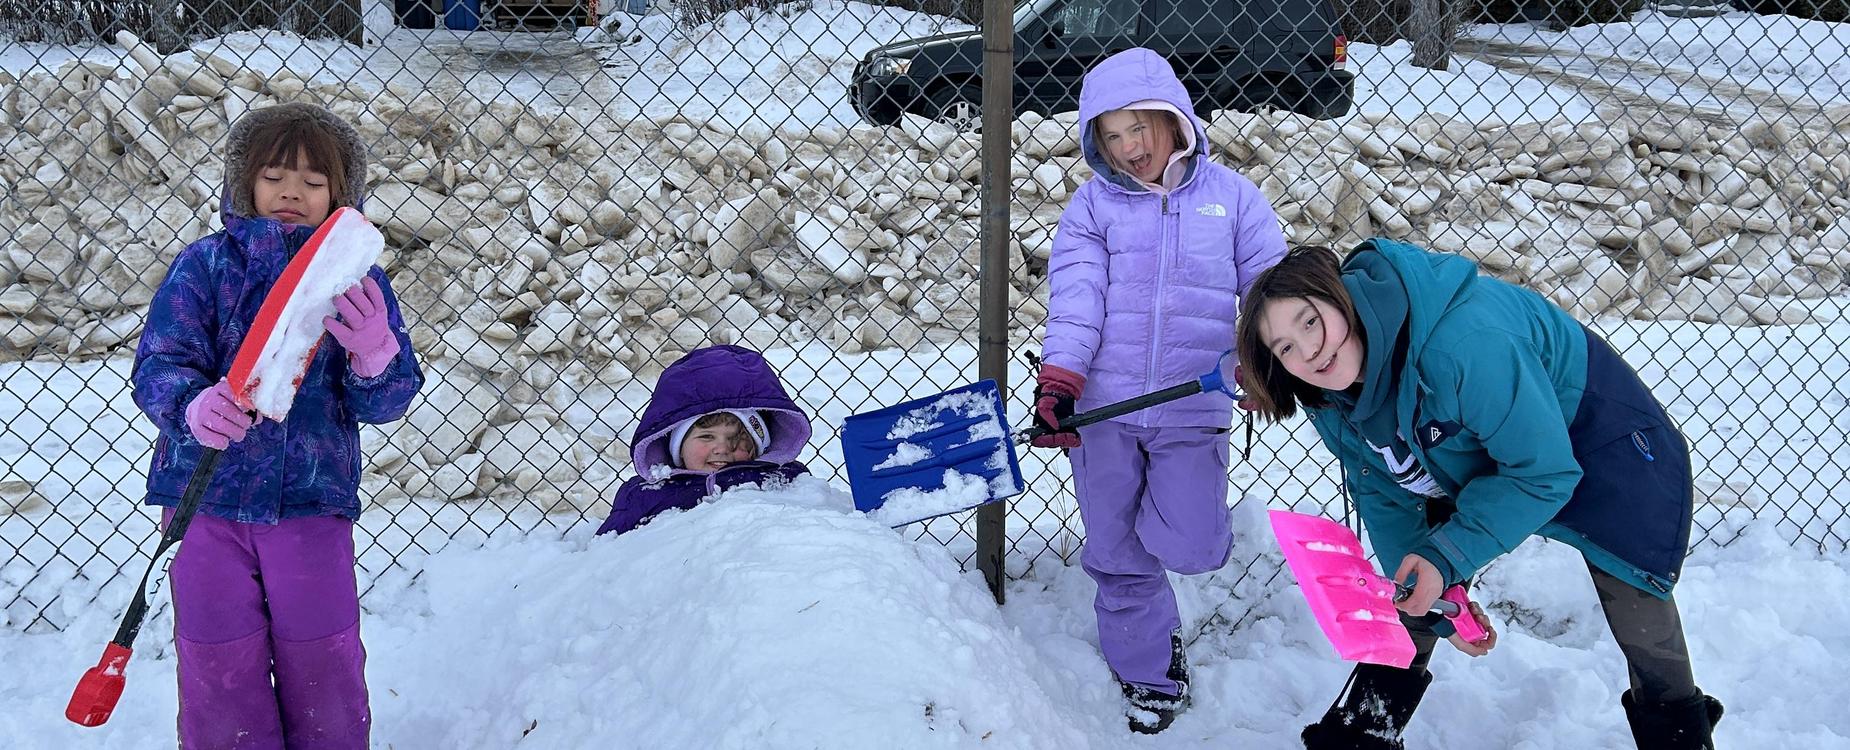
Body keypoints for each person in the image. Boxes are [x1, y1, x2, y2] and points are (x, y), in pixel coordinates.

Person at [1235, 240, 1724, 750]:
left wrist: (1446, 555)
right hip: (1462, 442)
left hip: (1600, 437)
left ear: (1341, 298)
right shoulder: (1328, 393)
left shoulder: (1463, 346)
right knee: (1415, 581)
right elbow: (1383, 490)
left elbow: (1544, 473)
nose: (1307, 352)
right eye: (1284, 347)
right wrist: (1435, 586)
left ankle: (1679, 737)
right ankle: (1362, 735)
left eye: (1309, 322)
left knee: (1633, 592)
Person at [131, 102, 423, 749]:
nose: (292, 191)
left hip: (310, 505)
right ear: (244, 183)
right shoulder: (204, 266)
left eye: (314, 182)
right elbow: (159, 363)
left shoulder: (357, 278)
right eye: (275, 176)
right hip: (203, 501)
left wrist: (377, 357)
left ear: (341, 194)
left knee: (322, 659)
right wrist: (190, 406)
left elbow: (383, 401)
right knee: (218, 662)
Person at [1028, 47, 1287, 734]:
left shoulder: (1233, 200)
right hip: (1106, 408)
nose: (1127, 148)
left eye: (1136, 128)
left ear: (1174, 120)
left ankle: (1154, 560)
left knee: (1194, 543)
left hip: (1193, 407)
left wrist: (1269, 365)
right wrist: (1060, 382)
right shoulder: (1092, 208)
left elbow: (1273, 294)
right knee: (1115, 551)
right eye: (1109, 136)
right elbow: (1076, 302)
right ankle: (1149, 667)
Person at [595, 344, 813, 536]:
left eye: (737, 438)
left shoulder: (782, 479)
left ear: (758, 447)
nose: (723, 448)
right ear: (678, 448)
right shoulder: (645, 496)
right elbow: (607, 552)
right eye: (707, 436)